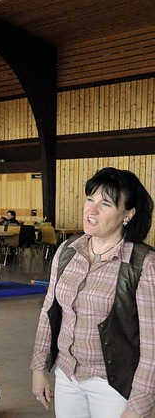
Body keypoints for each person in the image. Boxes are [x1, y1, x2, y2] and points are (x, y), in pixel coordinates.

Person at [31, 167, 155, 417]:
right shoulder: (67, 251)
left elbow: (152, 344)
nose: (92, 210)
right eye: (90, 199)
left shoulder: (144, 264)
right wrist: (39, 367)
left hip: (113, 386)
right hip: (66, 376)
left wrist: (139, 405)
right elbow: (49, 311)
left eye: (106, 203)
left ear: (127, 214)